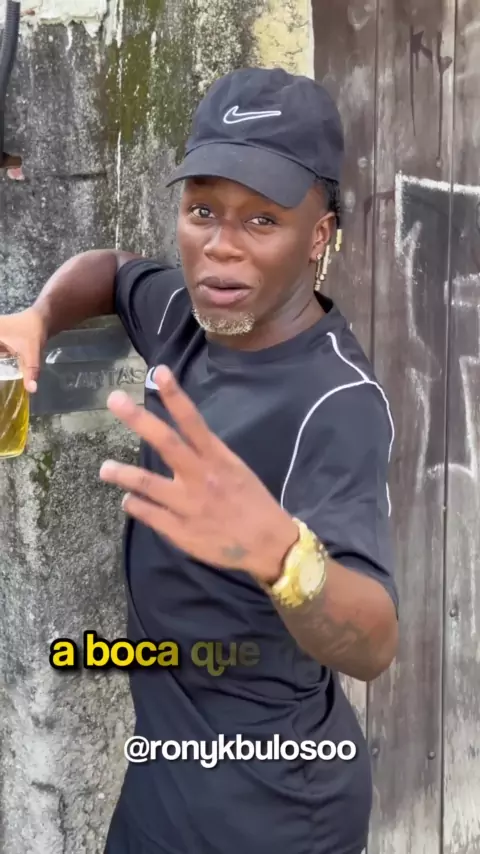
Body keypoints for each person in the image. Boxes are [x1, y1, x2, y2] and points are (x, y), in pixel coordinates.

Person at [0, 67, 398, 854]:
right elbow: (112, 272)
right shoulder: (188, 315)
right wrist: (39, 317)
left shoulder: (335, 403)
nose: (220, 246)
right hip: (164, 777)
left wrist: (283, 556)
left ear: (319, 236)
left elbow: (374, 642)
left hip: (274, 808)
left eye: (262, 220)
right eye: (203, 210)